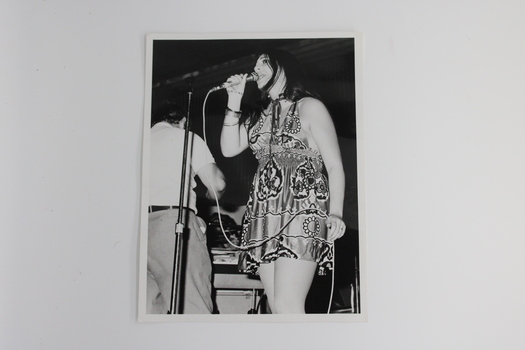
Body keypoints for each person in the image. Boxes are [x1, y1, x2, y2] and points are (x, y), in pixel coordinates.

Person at [220, 49, 346, 314]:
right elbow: (229, 148)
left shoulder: (310, 107)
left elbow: (334, 165)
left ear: (284, 67)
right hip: (264, 214)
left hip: (302, 209)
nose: (256, 69)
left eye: (263, 62)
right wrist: (234, 101)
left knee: (289, 304)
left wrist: (336, 212)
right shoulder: (260, 115)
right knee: (277, 306)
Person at [147, 103, 226, 314]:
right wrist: (211, 195)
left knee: (149, 315)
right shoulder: (184, 137)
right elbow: (217, 184)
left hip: (138, 230)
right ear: (183, 121)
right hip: (173, 226)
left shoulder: (140, 142)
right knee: (193, 310)